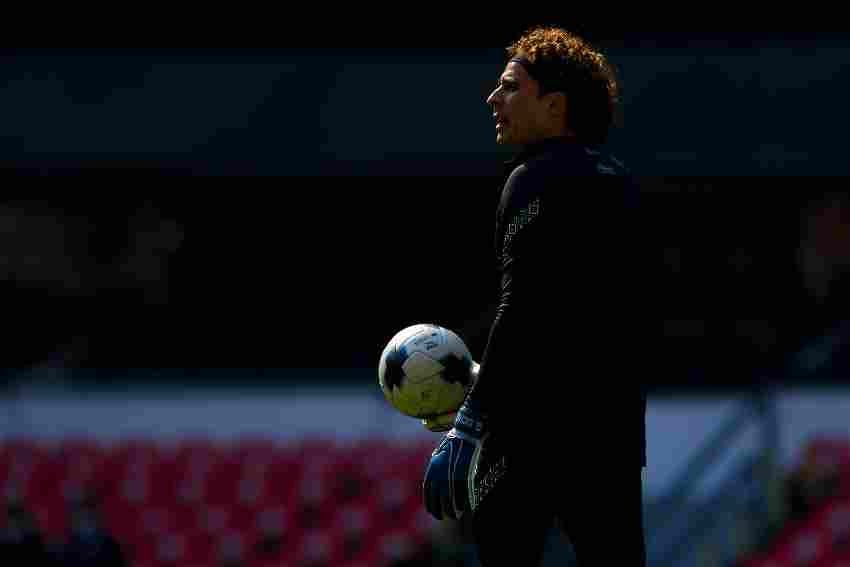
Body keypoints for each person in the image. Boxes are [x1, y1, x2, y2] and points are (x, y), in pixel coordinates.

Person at [422, 26, 651, 566]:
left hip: (526, 441)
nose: (493, 98)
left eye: (510, 87)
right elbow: (580, 319)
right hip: (609, 438)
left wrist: (471, 420)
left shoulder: (532, 180)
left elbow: (522, 309)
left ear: (555, 106)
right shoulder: (620, 182)